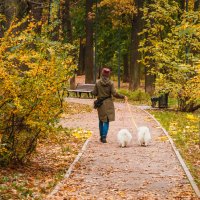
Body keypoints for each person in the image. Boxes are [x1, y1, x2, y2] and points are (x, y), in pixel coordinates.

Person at [92, 67, 127, 143]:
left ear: (102, 74)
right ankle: (104, 137)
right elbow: (114, 94)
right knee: (106, 121)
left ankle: (101, 137)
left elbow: (94, 93)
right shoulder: (111, 83)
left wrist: (97, 91)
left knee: (101, 120)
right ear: (108, 75)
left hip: (100, 104)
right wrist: (123, 96)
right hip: (108, 103)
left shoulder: (98, 83)